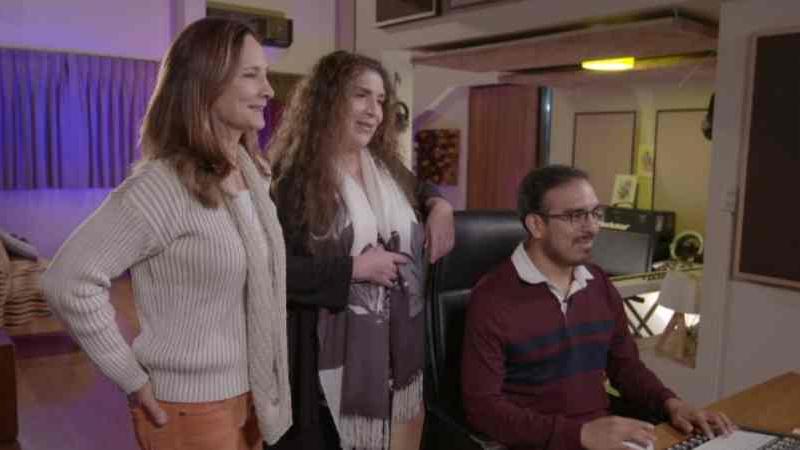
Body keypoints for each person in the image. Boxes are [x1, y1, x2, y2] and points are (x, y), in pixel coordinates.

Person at [41, 17, 291, 450]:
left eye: (265, 75)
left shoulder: (253, 175)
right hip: (192, 407)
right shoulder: (162, 185)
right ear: (206, 84)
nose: (268, 90)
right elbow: (67, 282)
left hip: (252, 397)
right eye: (251, 75)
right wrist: (130, 376)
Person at [461, 165, 735, 450]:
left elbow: (626, 368)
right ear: (537, 225)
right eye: (575, 216)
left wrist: (671, 403)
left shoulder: (599, 284)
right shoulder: (493, 298)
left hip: (604, 441)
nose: (592, 227)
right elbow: (483, 408)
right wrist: (579, 434)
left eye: (595, 213)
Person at [268, 50, 455, 450]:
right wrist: (353, 269)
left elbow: (422, 190)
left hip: (392, 360)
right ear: (328, 99)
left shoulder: (385, 169)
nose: (374, 111)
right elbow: (275, 273)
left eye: (381, 100)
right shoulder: (291, 181)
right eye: (361, 95)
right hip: (321, 363)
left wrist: (441, 206)